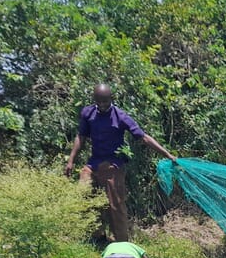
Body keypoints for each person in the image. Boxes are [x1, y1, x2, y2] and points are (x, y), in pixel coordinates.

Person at [64, 85, 176, 242]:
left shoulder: (120, 117)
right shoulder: (88, 113)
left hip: (113, 165)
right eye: (99, 102)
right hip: (93, 164)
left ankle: (122, 242)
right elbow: (81, 137)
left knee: (115, 206)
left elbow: (143, 137)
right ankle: (98, 236)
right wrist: (70, 160)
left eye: (105, 101)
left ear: (111, 99)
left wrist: (168, 154)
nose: (102, 105)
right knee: (85, 194)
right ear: (94, 100)